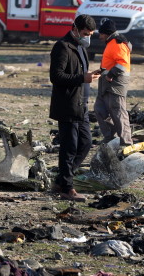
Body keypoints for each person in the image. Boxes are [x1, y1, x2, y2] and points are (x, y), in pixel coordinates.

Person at [49, 14, 100, 201]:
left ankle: (62, 179)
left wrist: (89, 76)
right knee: (69, 148)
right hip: (68, 105)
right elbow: (56, 77)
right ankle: (66, 189)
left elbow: (80, 73)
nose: (88, 37)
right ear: (75, 29)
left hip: (82, 105)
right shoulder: (62, 47)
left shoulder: (80, 47)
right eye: (85, 33)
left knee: (85, 143)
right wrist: (82, 78)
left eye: (91, 34)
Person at [93, 19, 133, 146]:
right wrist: (102, 71)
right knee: (100, 110)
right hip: (106, 82)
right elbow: (112, 61)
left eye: (102, 34)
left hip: (116, 84)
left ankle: (126, 142)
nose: (100, 36)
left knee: (118, 112)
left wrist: (110, 74)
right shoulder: (112, 42)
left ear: (107, 33)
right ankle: (111, 138)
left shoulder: (117, 43)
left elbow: (122, 64)